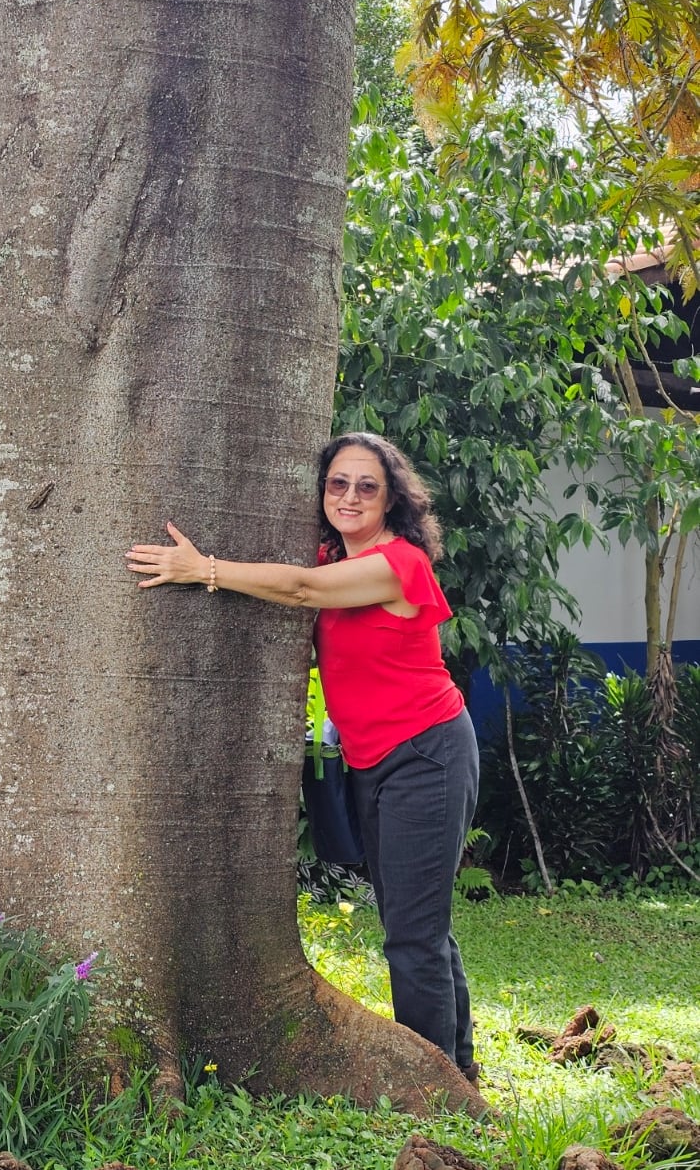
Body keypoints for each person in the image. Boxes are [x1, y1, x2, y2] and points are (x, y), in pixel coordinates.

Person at [125, 431, 480, 1082]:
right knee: (420, 921)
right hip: (374, 759)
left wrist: (200, 567)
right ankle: (458, 1067)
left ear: (391, 499)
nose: (349, 495)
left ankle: (436, 1087)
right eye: (337, 483)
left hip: (426, 753)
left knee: (411, 936)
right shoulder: (332, 555)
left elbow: (300, 589)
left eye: (366, 486)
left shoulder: (396, 564)